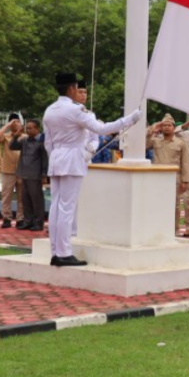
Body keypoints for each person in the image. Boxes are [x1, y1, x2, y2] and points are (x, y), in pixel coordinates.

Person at [43, 73, 141, 267]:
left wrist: (54, 157)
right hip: (72, 159)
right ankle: (63, 252)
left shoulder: (50, 110)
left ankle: (56, 251)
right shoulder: (75, 110)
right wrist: (131, 119)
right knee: (66, 208)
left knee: (56, 207)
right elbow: (102, 129)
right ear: (71, 88)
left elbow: (48, 142)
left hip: (56, 158)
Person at [146, 114, 189, 235]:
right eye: (164, 125)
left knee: (174, 205)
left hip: (174, 178)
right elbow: (143, 144)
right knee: (156, 203)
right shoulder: (155, 140)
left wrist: (185, 180)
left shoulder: (181, 143)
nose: (166, 127)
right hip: (157, 177)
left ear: (173, 127)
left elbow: (185, 162)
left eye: (169, 125)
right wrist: (152, 130)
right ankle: (157, 227)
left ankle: (174, 229)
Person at [9, 119, 48, 231]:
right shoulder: (25, 140)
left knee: (37, 200)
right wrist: (16, 135)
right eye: (27, 128)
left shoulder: (41, 142)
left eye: (31, 128)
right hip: (24, 173)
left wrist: (44, 174)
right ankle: (28, 221)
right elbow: (12, 146)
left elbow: (45, 159)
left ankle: (38, 223)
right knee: (25, 199)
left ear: (37, 129)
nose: (28, 130)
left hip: (35, 175)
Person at [0, 113, 26, 228]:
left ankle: (20, 218)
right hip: (8, 170)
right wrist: (7, 125)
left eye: (17, 121)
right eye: (13, 122)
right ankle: (6, 218)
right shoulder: (6, 136)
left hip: (22, 170)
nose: (15, 123)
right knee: (6, 195)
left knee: (22, 196)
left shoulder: (25, 137)